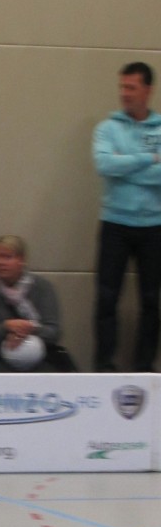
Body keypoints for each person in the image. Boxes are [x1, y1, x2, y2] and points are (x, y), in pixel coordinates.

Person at [93, 61, 161, 371]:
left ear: (148, 90)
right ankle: (104, 366)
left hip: (154, 226)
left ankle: (144, 367)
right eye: (122, 87)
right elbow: (105, 165)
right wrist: (149, 158)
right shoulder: (107, 128)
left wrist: (126, 165)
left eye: (131, 87)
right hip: (115, 224)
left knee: (152, 300)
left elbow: (121, 168)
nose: (124, 93)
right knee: (107, 298)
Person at [0, 235, 76, 372]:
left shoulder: (43, 287)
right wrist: (6, 327)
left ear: (22, 260)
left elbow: (54, 332)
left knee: (49, 372)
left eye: (7, 257)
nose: (0, 262)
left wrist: (28, 329)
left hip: (40, 352)